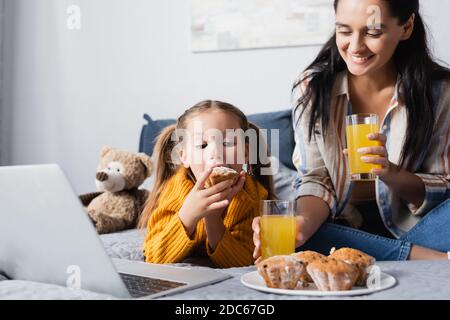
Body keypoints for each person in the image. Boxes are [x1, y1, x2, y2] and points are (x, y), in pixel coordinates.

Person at [253, 0, 450, 261]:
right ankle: (426, 259)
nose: (355, 46)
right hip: (344, 225)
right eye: (344, 31)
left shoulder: (439, 91)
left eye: (372, 32)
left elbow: (443, 188)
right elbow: (316, 177)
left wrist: (391, 173)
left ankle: (387, 254)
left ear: (406, 26)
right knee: (304, 237)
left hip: (415, 226)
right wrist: (300, 226)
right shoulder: (312, 88)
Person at [139, 100, 275, 268]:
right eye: (202, 145)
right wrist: (188, 215)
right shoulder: (175, 191)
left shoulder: (252, 197)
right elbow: (154, 257)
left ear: (245, 153)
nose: (215, 153)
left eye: (228, 143)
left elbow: (243, 262)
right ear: (184, 156)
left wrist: (212, 218)